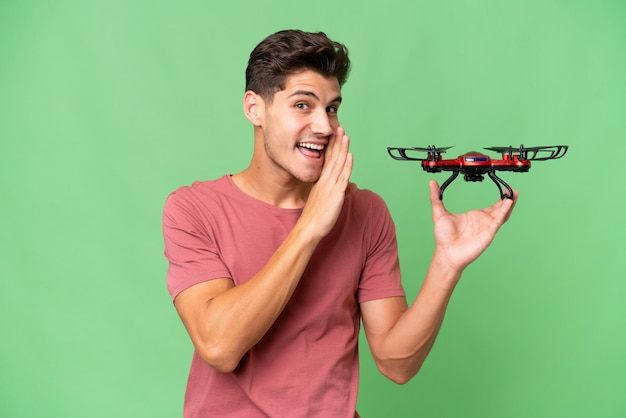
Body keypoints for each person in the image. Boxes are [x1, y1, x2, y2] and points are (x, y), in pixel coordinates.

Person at [162, 29, 517, 418]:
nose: (325, 126)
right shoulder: (193, 208)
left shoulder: (365, 213)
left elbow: (396, 364)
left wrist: (446, 265)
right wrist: (311, 224)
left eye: (331, 108)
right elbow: (218, 347)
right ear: (254, 109)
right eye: (303, 105)